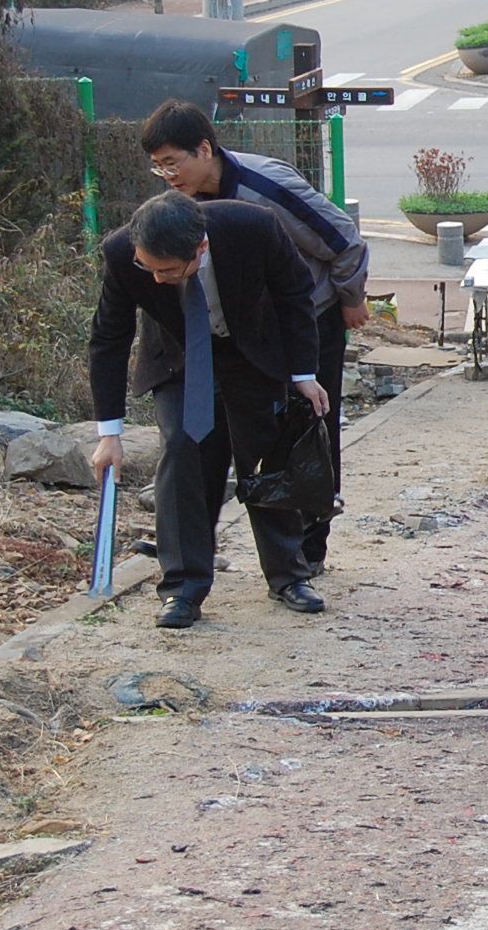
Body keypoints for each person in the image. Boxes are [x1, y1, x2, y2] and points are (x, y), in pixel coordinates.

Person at [138, 100, 369, 572]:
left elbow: (343, 240)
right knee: (233, 430)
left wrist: (350, 299)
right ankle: (196, 542)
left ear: (204, 149)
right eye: (158, 166)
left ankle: (309, 547)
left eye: (172, 163)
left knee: (309, 428)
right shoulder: (181, 206)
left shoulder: (266, 187)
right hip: (248, 330)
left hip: (309, 315)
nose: (167, 175)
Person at [88, 192, 328, 629]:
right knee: (181, 453)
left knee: (265, 456)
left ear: (200, 248)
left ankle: (289, 575)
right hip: (178, 356)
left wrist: (302, 373)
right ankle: (182, 587)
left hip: (252, 352)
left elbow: (294, 293)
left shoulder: (254, 228)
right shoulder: (123, 253)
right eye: (149, 268)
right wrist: (110, 433)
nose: (156, 279)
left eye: (168, 271)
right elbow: (109, 337)